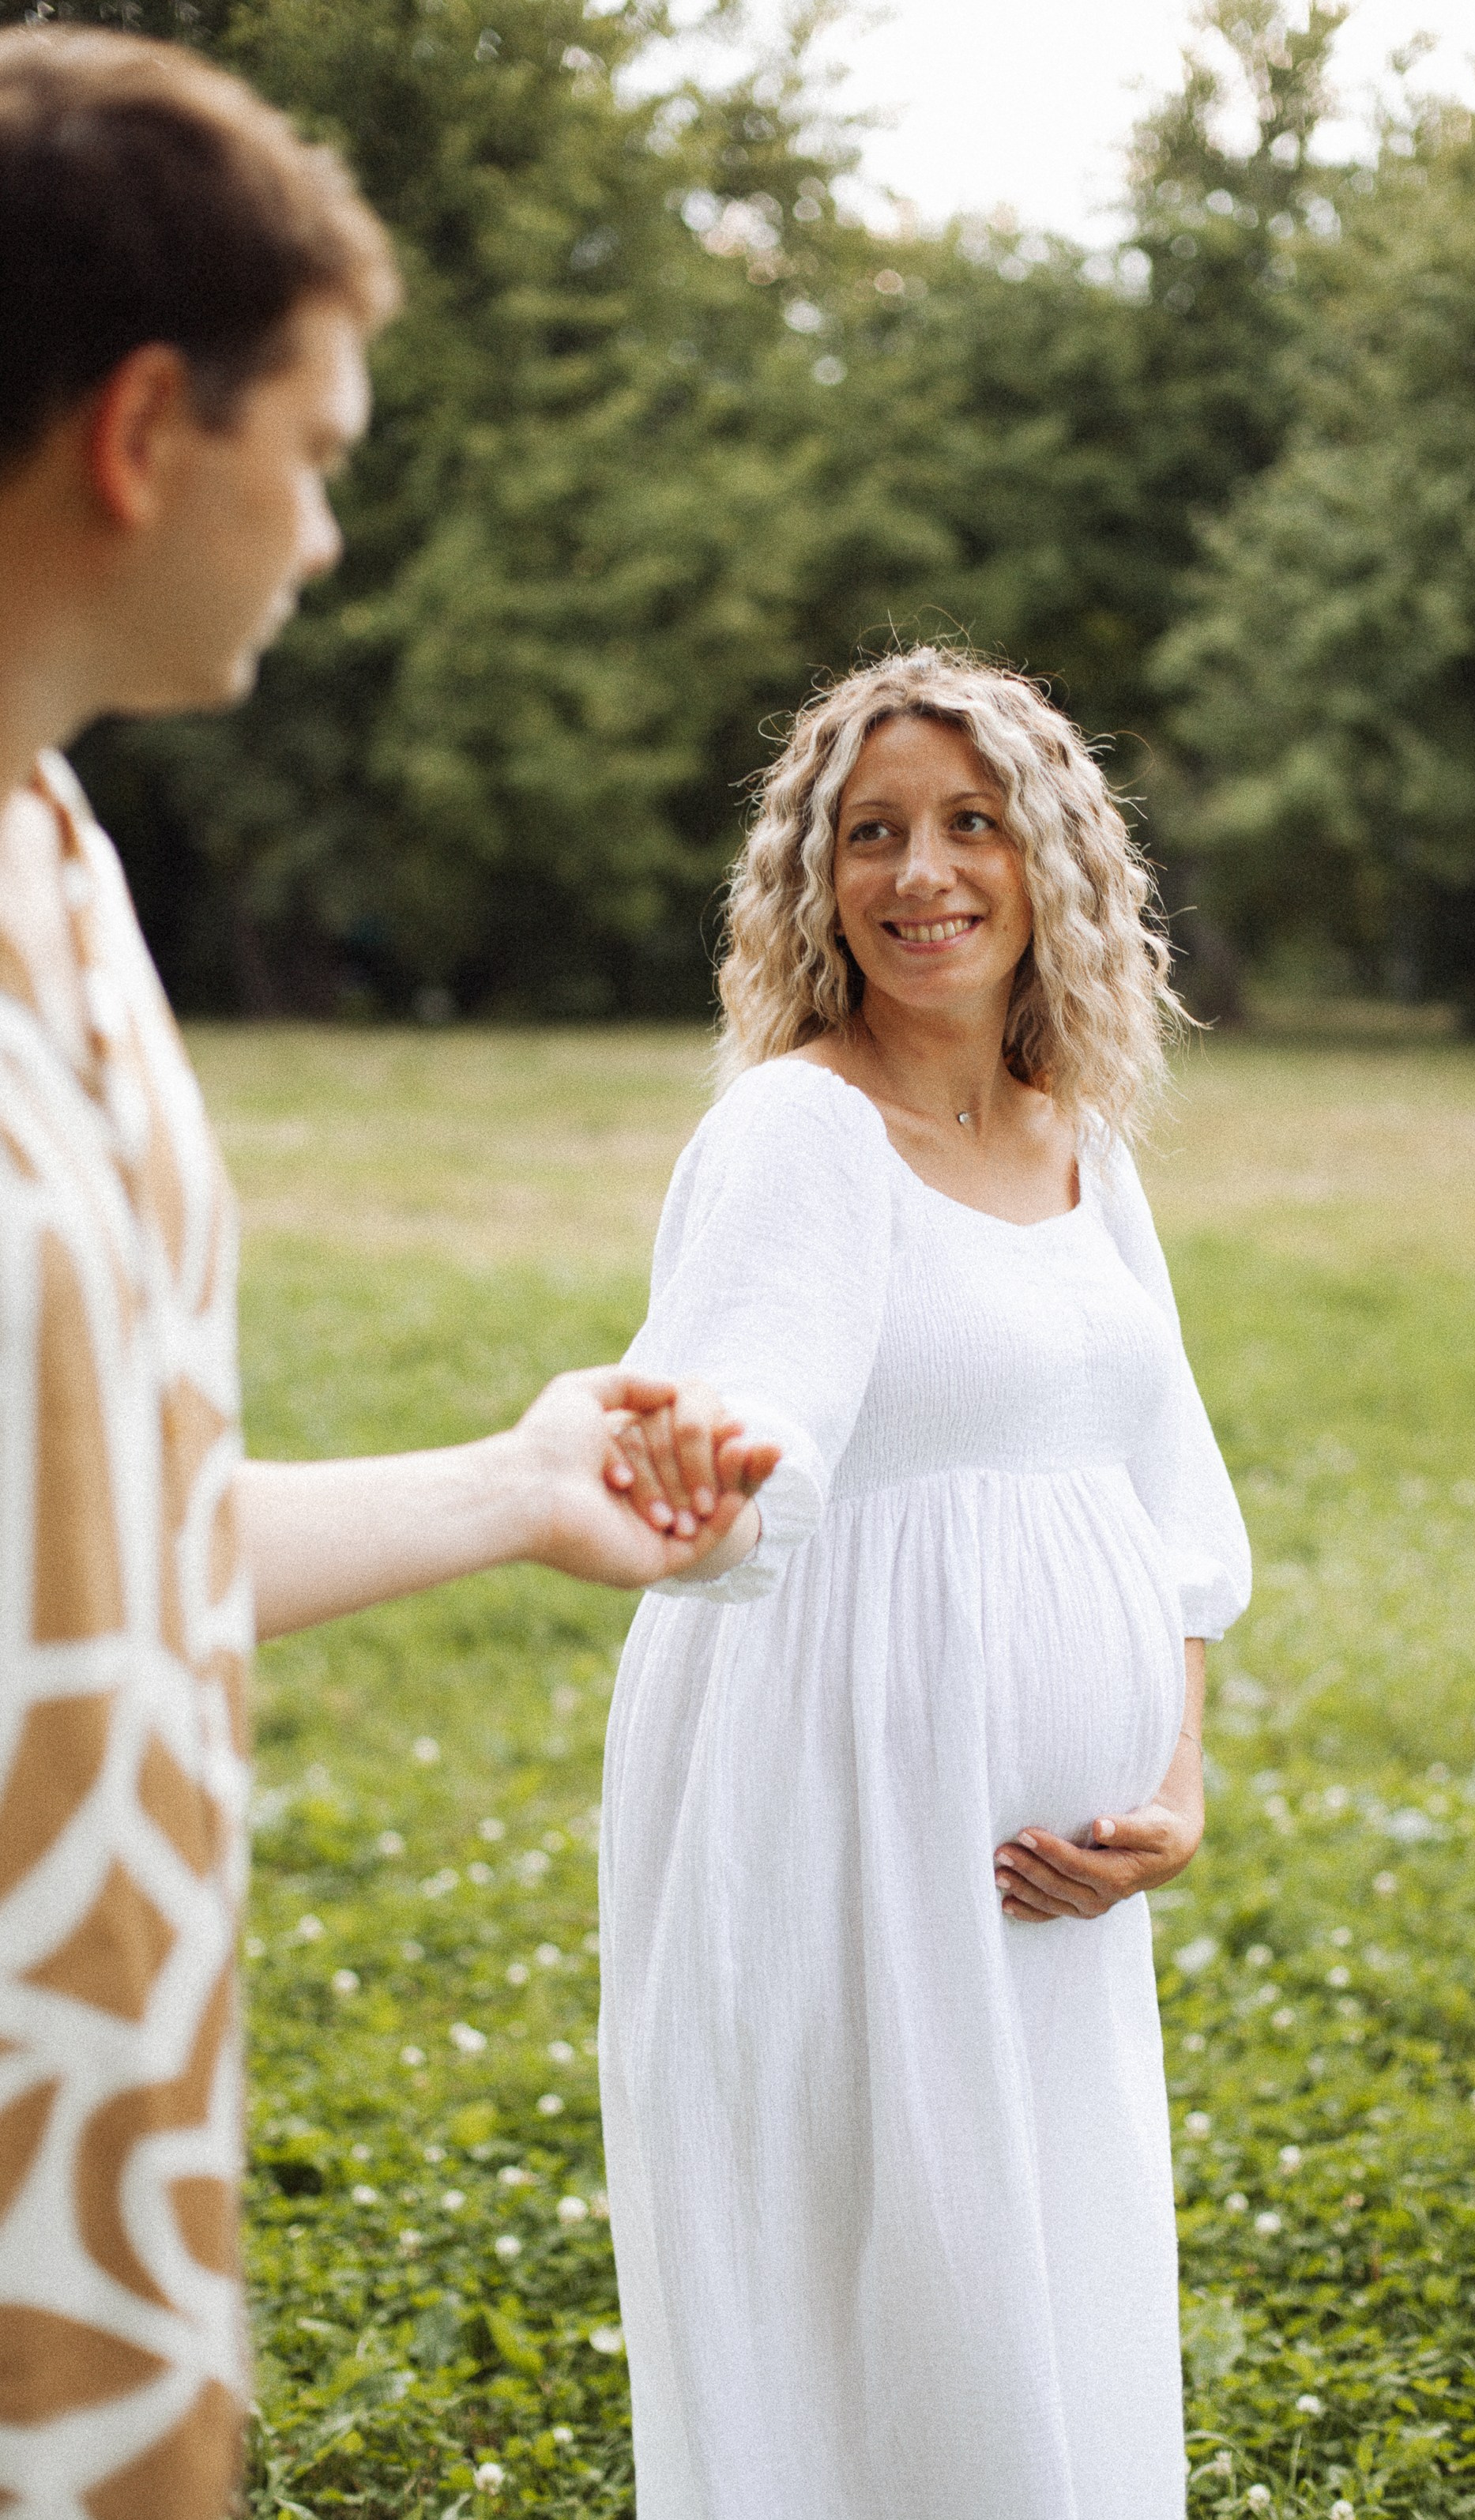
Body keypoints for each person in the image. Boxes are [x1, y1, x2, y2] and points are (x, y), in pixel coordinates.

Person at [0, 28, 773, 2517]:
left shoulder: (68, 867)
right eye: (316, 453)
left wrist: (513, 1486)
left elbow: (90, 1558)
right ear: (143, 430)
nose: (328, 532)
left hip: (85, 2188)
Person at [599, 647, 1252, 2520]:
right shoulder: (796, 1132)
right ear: (814, 878)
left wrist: (1177, 1777)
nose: (920, 873)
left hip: (1048, 1865)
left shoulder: (1079, 1139)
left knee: (1040, 2257)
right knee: (867, 2267)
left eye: (971, 824)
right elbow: (736, 1457)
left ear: (1053, 863)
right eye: (870, 832)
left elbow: (1166, 1493)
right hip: (839, 1800)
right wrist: (682, 1473)